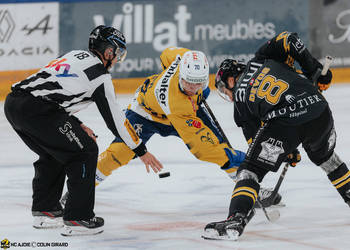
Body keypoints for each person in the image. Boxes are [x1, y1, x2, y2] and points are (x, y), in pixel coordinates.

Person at [4, 25, 163, 236]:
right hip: (39, 111)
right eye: (117, 53)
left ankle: (46, 211)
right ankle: (79, 217)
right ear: (108, 52)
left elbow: (52, 90)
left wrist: (75, 123)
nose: (116, 59)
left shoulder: (73, 55)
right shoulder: (101, 77)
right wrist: (141, 150)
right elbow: (116, 121)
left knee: (54, 152)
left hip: (14, 104)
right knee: (85, 151)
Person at [80, 46, 282, 207]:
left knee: (219, 147)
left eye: (198, 83)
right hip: (145, 114)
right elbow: (201, 149)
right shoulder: (178, 104)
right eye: (188, 83)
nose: (193, 88)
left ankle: (247, 186)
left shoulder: (183, 58)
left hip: (187, 110)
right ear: (181, 75)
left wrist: (195, 92)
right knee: (119, 153)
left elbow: (166, 54)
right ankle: (79, 190)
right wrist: (244, 159)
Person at [203, 31, 350, 240]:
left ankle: (237, 218)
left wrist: (287, 150)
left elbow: (259, 144)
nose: (227, 94)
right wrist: (314, 69)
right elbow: (290, 40)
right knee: (328, 160)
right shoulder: (263, 58)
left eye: (225, 89)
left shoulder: (241, 106)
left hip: (284, 123)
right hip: (319, 110)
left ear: (231, 79)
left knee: (250, 171)